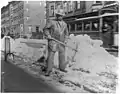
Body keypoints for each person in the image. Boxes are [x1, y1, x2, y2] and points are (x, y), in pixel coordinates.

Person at [43, 9, 69, 76]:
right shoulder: (51, 22)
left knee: (62, 55)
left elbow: (66, 34)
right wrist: (48, 35)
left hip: (61, 42)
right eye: (58, 15)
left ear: (62, 16)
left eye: (60, 16)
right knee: (51, 56)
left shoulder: (65, 24)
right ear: (56, 15)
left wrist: (65, 40)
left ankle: (62, 68)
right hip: (53, 41)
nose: (59, 17)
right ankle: (48, 70)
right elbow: (45, 29)